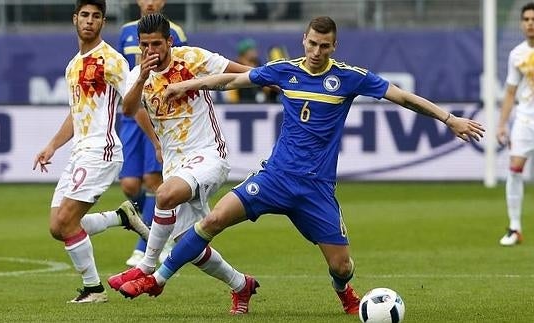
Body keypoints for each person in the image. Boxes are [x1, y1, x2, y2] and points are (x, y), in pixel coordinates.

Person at [114, 16, 485, 315]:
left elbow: (402, 96)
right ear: (303, 40)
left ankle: (344, 293)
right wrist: (190, 85)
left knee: (342, 266)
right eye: (311, 43)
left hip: (316, 189)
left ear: (333, 46)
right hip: (275, 177)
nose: (317, 51)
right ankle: (157, 278)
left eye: (324, 46)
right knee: (211, 221)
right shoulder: (284, 70)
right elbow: (235, 79)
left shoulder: (349, 77)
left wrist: (448, 118)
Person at [106, 13, 259, 315]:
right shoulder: (138, 74)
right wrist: (141, 79)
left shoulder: (193, 58)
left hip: (207, 153)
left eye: (157, 44)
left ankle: (148, 267)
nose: (152, 51)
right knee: (189, 245)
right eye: (145, 45)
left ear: (170, 42)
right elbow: (128, 109)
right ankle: (242, 285)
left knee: (164, 195)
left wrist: (276, 81)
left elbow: (243, 73)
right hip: (175, 164)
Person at [32, 0, 149, 304]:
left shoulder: (111, 59)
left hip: (102, 150)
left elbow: (133, 104)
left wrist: (158, 142)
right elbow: (76, 113)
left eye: (96, 16)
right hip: (79, 152)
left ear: (102, 23)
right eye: (84, 15)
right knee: (58, 226)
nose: (89, 21)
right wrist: (52, 146)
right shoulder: (73, 66)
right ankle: (121, 216)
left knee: (67, 222)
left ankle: (94, 289)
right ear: (75, 19)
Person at [117, 0, 188, 267]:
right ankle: (154, 224)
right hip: (134, 113)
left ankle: (144, 243)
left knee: (152, 179)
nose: (150, 2)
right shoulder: (125, 31)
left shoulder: (177, 33)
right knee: (129, 185)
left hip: (159, 112)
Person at [497, 2, 534, 247]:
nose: (530, 23)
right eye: (526, 19)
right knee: (514, 169)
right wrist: (502, 124)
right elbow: (510, 92)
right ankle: (514, 227)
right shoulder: (517, 54)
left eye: (533, 19)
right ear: (521, 23)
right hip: (525, 118)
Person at [224, 38, 267, 103]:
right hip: (242, 103)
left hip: (260, 103)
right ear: (244, 52)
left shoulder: (258, 65)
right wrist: (234, 104)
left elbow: (265, 87)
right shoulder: (235, 68)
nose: (255, 51)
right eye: (251, 49)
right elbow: (231, 91)